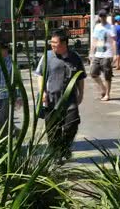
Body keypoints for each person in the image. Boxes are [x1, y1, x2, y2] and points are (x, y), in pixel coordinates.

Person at [35, 30, 86, 163]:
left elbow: (81, 78)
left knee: (72, 123)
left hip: (70, 99)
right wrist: (43, 92)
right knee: (53, 130)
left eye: (55, 43)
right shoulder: (47, 56)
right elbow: (40, 75)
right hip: (51, 99)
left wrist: (81, 93)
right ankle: (56, 154)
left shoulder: (75, 57)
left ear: (64, 43)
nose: (52, 45)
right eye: (51, 42)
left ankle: (64, 146)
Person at [0, 41, 21, 136]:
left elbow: (17, 81)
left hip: (8, 95)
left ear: (5, 50)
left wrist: (18, 96)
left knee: (2, 120)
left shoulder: (11, 63)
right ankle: (14, 131)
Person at [90, 9, 116, 101]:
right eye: (101, 16)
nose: (102, 18)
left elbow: (113, 41)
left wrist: (114, 54)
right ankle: (103, 89)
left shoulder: (111, 27)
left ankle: (107, 94)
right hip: (98, 53)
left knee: (107, 75)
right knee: (93, 73)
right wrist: (91, 53)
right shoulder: (97, 27)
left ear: (106, 16)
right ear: (99, 17)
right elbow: (94, 40)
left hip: (107, 54)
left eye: (104, 16)